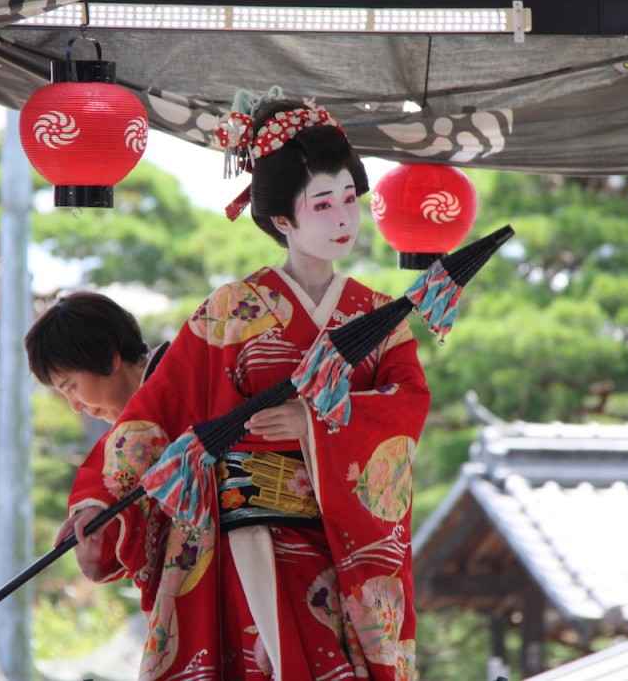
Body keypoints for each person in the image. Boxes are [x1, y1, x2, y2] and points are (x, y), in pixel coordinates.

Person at [65, 88, 431, 680]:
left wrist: (313, 425)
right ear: (282, 220)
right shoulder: (230, 311)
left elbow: (406, 407)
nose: (343, 218)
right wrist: (98, 500)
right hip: (246, 545)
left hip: (343, 551)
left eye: (348, 200)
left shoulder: (379, 318)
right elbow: (161, 408)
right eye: (323, 205)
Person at [23, 290, 168, 580]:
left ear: (109, 358)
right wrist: (96, 511)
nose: (75, 406)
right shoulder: (139, 419)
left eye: (71, 386)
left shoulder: (188, 371)